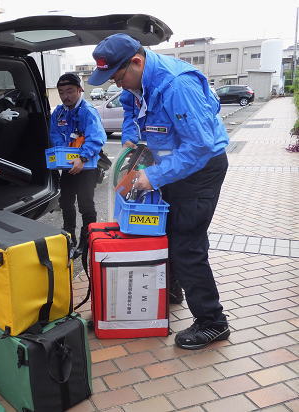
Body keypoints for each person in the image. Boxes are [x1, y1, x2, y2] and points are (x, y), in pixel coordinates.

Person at [88, 33, 230, 350]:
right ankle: (172, 291)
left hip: (200, 170)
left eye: (119, 76)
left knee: (187, 244)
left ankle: (213, 322)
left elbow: (200, 147)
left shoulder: (176, 85)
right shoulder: (137, 82)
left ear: (137, 62)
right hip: (171, 167)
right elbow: (129, 106)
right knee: (164, 231)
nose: (119, 84)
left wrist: (152, 176)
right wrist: (130, 139)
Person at [49, 73, 106, 258]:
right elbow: (55, 135)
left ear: (80, 90)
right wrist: (61, 153)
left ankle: (86, 239)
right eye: (61, 92)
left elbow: (97, 138)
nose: (66, 96)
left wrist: (81, 158)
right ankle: (69, 235)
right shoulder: (58, 112)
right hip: (68, 166)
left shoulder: (88, 111)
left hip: (86, 167)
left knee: (86, 205)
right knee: (65, 202)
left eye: (70, 91)